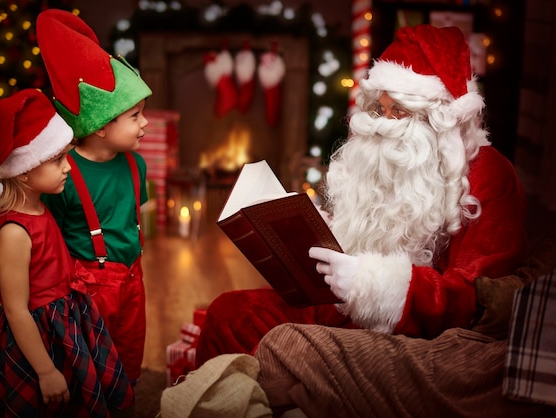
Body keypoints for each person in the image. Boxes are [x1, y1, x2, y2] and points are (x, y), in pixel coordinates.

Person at [196, 24, 528, 365]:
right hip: (344, 309)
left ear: (440, 118)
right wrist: (323, 231)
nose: (382, 123)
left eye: (398, 111)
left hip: (410, 336)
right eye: (378, 109)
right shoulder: (392, 155)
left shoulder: (488, 175)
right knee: (228, 315)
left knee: (261, 340)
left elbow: (482, 300)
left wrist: (376, 286)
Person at [0, 89, 135, 416]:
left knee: (76, 395)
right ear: (24, 170)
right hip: (38, 334)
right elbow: (16, 310)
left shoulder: (40, 207)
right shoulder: (14, 233)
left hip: (64, 319)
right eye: (57, 160)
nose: (68, 168)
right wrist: (44, 370)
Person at [253, 238, 556, 417]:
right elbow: (531, 284)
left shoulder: (485, 173)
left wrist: (398, 290)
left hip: (530, 359)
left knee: (284, 348)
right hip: (519, 334)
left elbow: (491, 302)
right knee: (239, 318)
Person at [35, 9, 152, 384]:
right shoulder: (64, 173)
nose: (145, 123)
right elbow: (50, 239)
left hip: (133, 277)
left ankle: (126, 396)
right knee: (89, 361)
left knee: (129, 351)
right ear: (101, 127)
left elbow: (131, 219)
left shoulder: (137, 166)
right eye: (134, 116)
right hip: (88, 288)